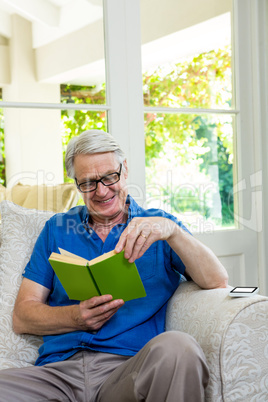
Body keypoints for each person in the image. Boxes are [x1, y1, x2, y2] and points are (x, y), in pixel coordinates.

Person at [0, 129, 228, 401]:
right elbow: (22, 315)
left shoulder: (158, 226)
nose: (102, 191)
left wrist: (174, 232)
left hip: (126, 372)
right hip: (57, 374)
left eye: (110, 177)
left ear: (125, 168)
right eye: (88, 183)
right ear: (76, 183)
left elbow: (217, 280)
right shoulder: (57, 228)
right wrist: (75, 317)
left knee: (179, 347)